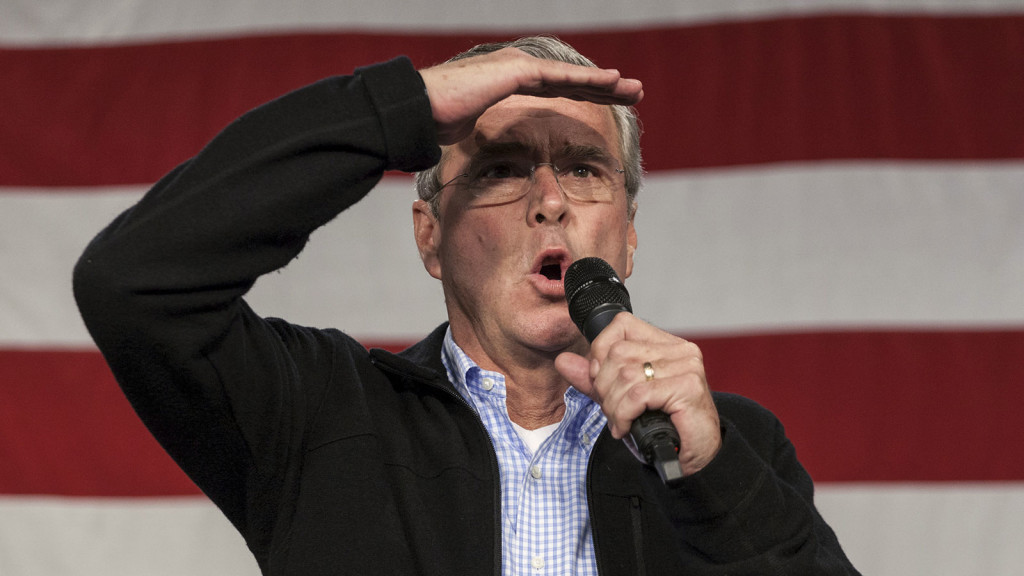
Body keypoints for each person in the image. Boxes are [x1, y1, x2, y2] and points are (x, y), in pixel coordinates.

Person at [74, 36, 860, 575]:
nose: (550, 201)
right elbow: (134, 283)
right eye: (501, 170)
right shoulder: (317, 418)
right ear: (431, 237)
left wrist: (711, 475)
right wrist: (400, 110)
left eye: (585, 169)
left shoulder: (729, 444)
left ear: (625, 238)